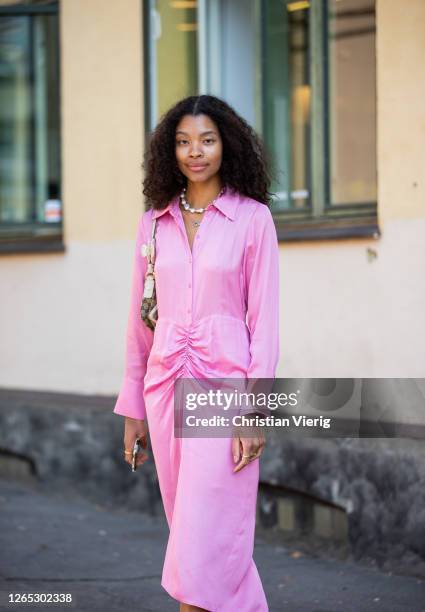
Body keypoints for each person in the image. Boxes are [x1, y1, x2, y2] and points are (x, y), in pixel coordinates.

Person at [113, 94, 280, 612]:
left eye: (206, 140)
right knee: (195, 536)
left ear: (226, 146)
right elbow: (142, 319)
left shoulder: (252, 220)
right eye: (184, 142)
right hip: (163, 390)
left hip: (224, 393)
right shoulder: (154, 223)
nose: (196, 152)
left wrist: (256, 410)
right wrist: (132, 407)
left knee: (204, 540)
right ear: (171, 151)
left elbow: (265, 325)